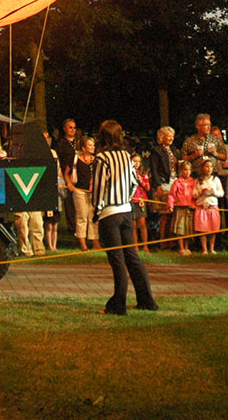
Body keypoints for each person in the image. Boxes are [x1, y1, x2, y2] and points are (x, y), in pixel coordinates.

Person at [91, 120, 157, 315]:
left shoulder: (102, 158)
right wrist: (126, 200)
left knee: (117, 260)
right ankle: (146, 300)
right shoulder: (126, 156)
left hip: (109, 213)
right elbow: (134, 183)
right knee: (132, 256)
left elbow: (99, 188)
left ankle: (118, 305)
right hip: (126, 211)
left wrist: (97, 210)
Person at [68, 136, 100, 250]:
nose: (93, 147)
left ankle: (95, 243)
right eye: (90, 145)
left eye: (93, 145)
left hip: (93, 192)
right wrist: (70, 184)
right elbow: (66, 172)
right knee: (82, 216)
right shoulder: (76, 159)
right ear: (83, 147)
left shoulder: (96, 160)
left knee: (93, 216)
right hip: (80, 191)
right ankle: (83, 244)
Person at [148, 126, 177, 247]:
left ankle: (171, 240)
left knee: (173, 213)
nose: (171, 138)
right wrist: (158, 186)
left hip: (175, 182)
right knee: (164, 213)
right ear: (162, 137)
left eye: (172, 136)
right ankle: (162, 241)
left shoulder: (173, 150)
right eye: (168, 136)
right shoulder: (156, 151)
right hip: (164, 182)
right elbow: (154, 170)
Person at [192, 159, 223, 254]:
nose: (209, 169)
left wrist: (214, 192)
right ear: (203, 168)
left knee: (213, 228)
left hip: (212, 206)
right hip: (202, 207)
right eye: (207, 166)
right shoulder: (198, 180)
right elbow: (194, 194)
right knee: (203, 229)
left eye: (211, 167)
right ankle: (204, 249)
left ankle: (212, 248)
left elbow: (221, 193)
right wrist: (201, 192)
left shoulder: (215, 179)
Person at [166, 162, 196, 255]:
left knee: (188, 228)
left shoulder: (193, 182)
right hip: (180, 207)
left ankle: (187, 247)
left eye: (189, 170)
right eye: (185, 170)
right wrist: (170, 205)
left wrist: (194, 204)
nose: (187, 172)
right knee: (180, 228)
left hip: (189, 208)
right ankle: (181, 247)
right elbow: (172, 194)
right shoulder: (177, 182)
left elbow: (195, 195)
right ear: (181, 171)